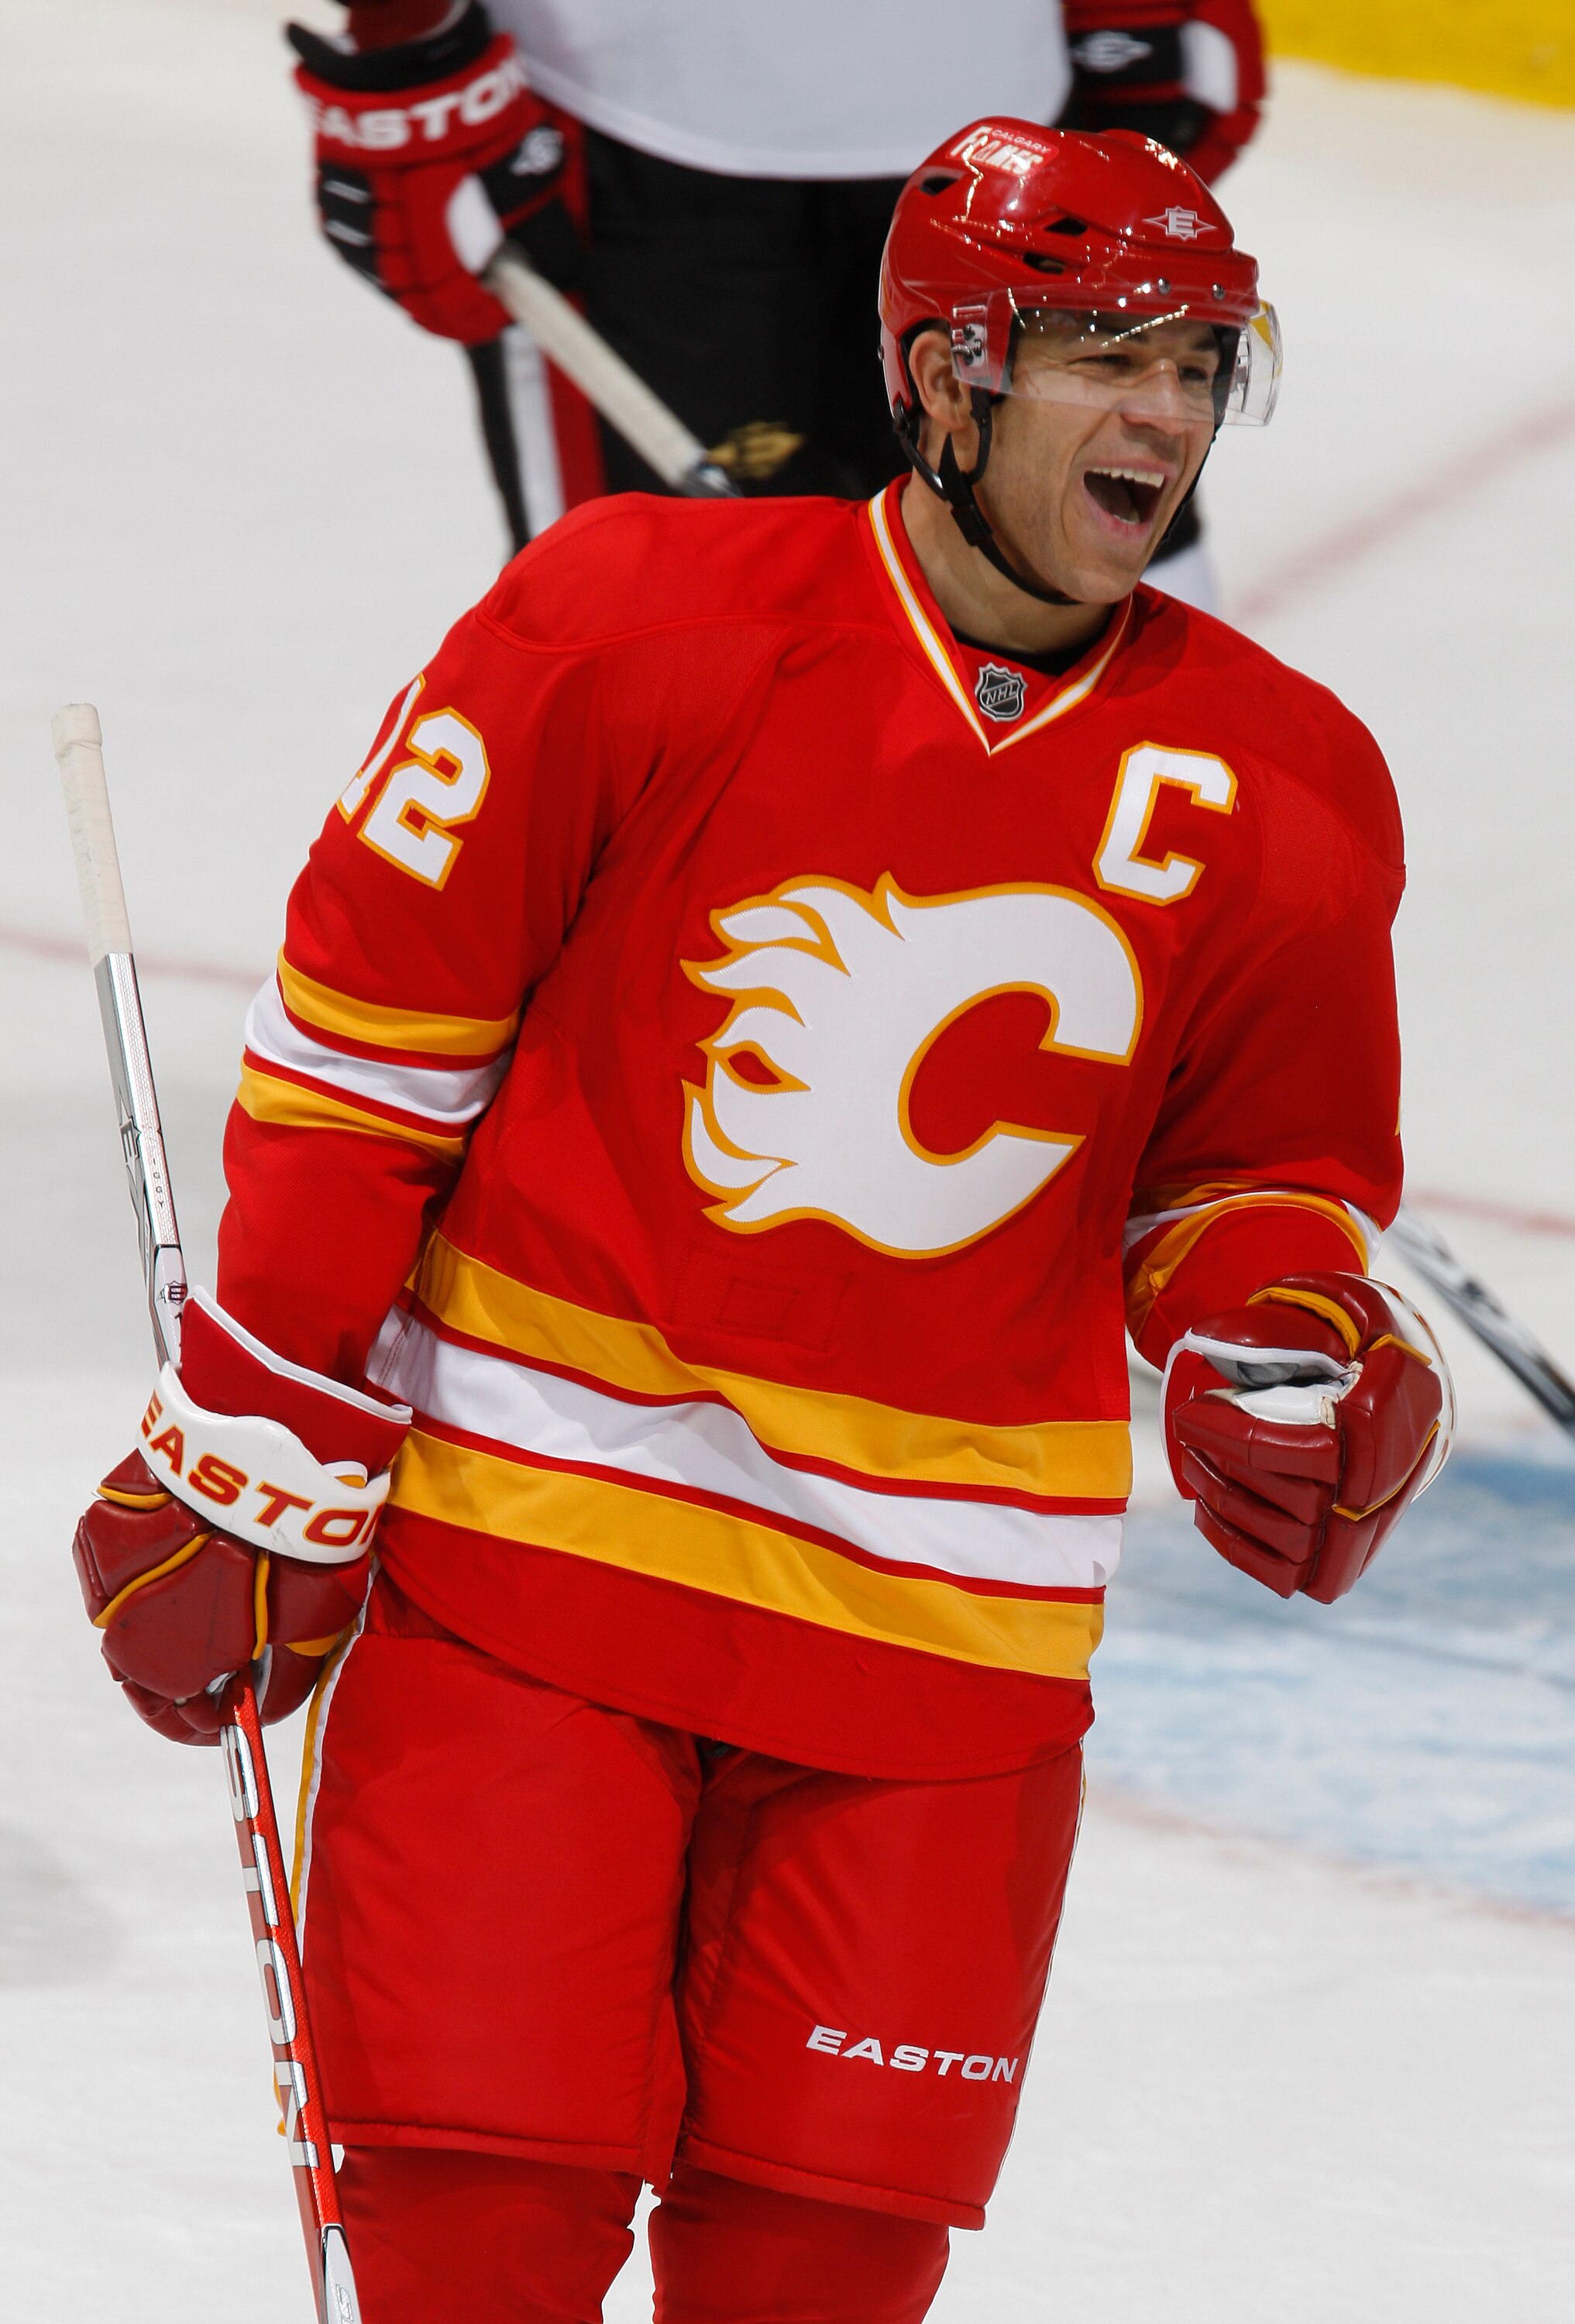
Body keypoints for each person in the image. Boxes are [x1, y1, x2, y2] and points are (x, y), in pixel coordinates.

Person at [72, 123, 1452, 2322]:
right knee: (474, 2250)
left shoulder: (1284, 787)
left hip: (946, 1660)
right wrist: (256, 1413)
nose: (1165, 418)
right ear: (944, 377)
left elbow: (1254, 1178)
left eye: (1200, 367)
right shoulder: (628, 623)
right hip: (534, 1572)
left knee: (817, 2282)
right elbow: (366, 1052)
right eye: (1103, 355)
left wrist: (1285, 1338)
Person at [286, 0, 1263, 603]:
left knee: (1115, 680)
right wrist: (407, 40)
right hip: (622, 137)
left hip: (1011, 135)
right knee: (644, 691)